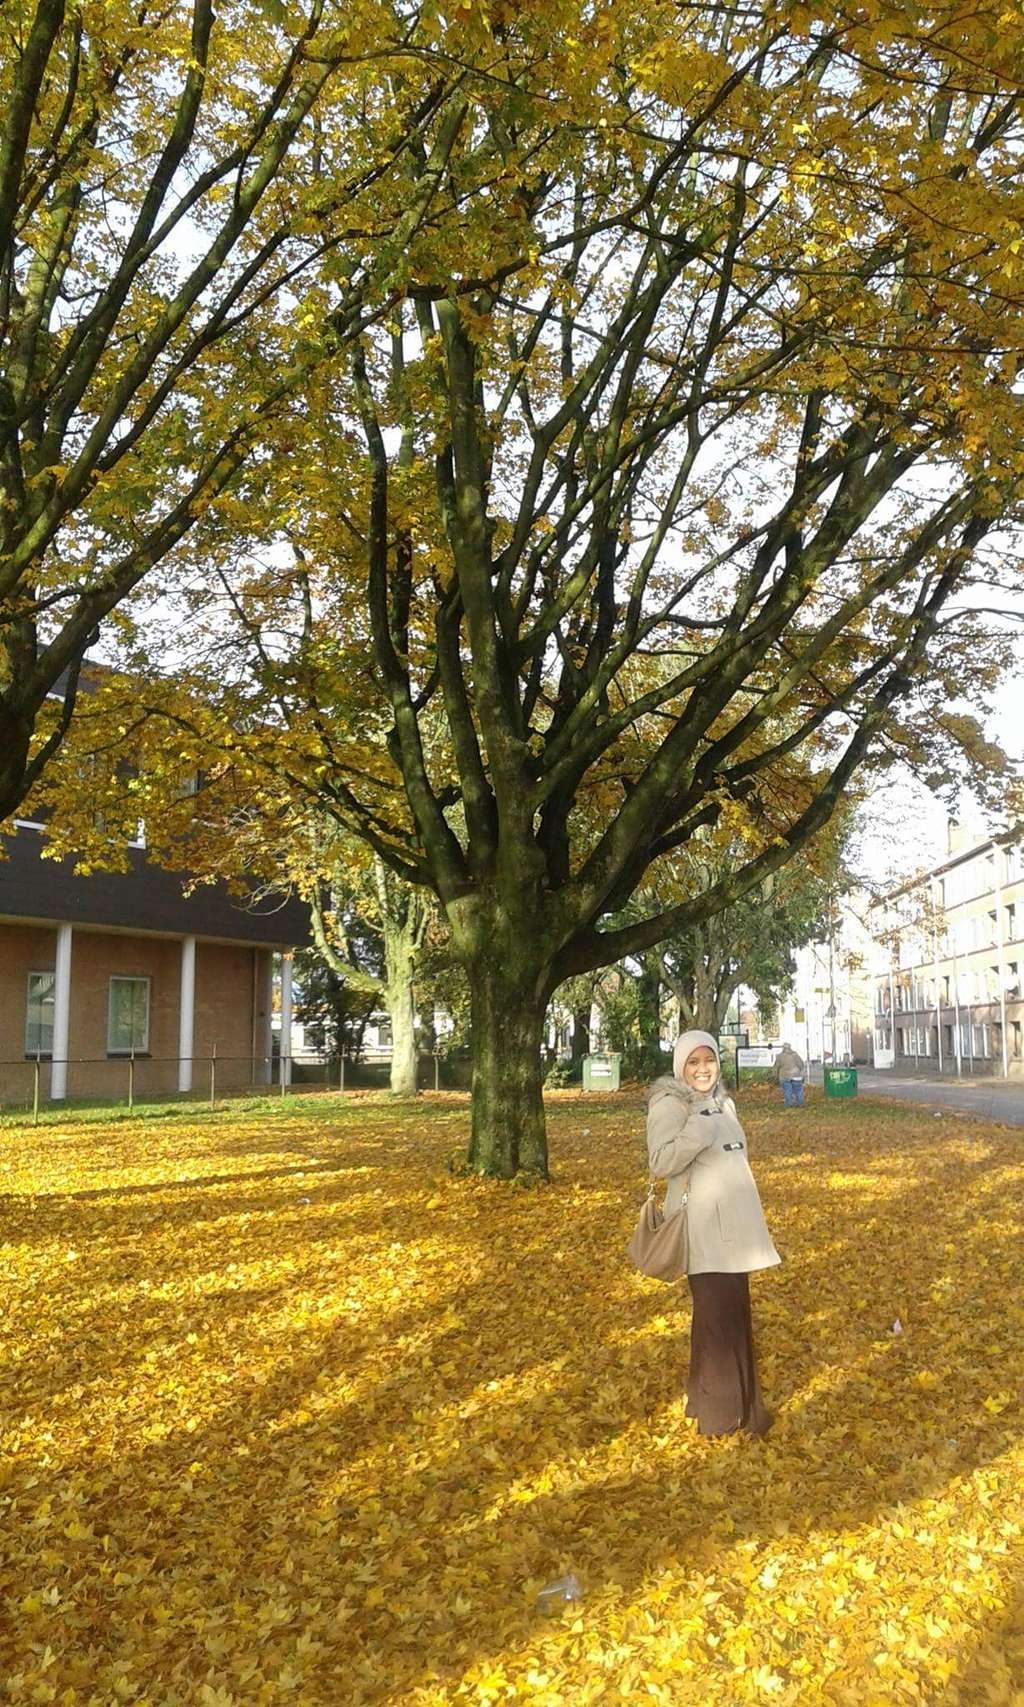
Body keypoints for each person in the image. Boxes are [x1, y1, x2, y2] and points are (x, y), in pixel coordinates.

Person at [646, 1030, 780, 1437]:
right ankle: (722, 1418)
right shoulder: (671, 1105)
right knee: (718, 1318)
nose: (702, 1069)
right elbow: (660, 1161)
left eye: (709, 1061)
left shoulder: (723, 1102)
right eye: (693, 1062)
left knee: (728, 1315)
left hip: (734, 1229)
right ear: (680, 1067)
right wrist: (696, 1133)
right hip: (704, 1230)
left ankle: (719, 1403)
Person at [774, 1040, 806, 1108]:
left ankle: (789, 1104)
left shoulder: (779, 1056)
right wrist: (799, 1071)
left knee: (787, 1090)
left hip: (784, 1076)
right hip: (796, 1076)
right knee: (798, 1090)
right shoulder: (795, 1055)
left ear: (783, 1048)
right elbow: (801, 1064)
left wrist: (776, 1076)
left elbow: (776, 1067)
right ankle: (800, 1104)